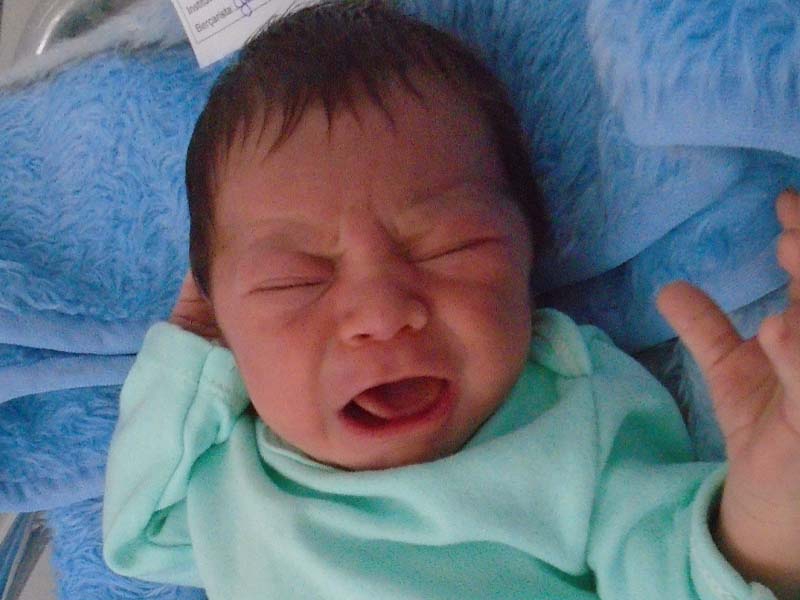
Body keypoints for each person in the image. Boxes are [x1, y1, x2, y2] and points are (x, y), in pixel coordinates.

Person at [102, 1, 800, 598]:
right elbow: (136, 530)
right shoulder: (227, 470)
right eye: (294, 279)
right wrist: (190, 355)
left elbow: (671, 568)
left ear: (530, 256)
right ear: (224, 325)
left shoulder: (570, 416)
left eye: (450, 248)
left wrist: (768, 513)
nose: (380, 314)